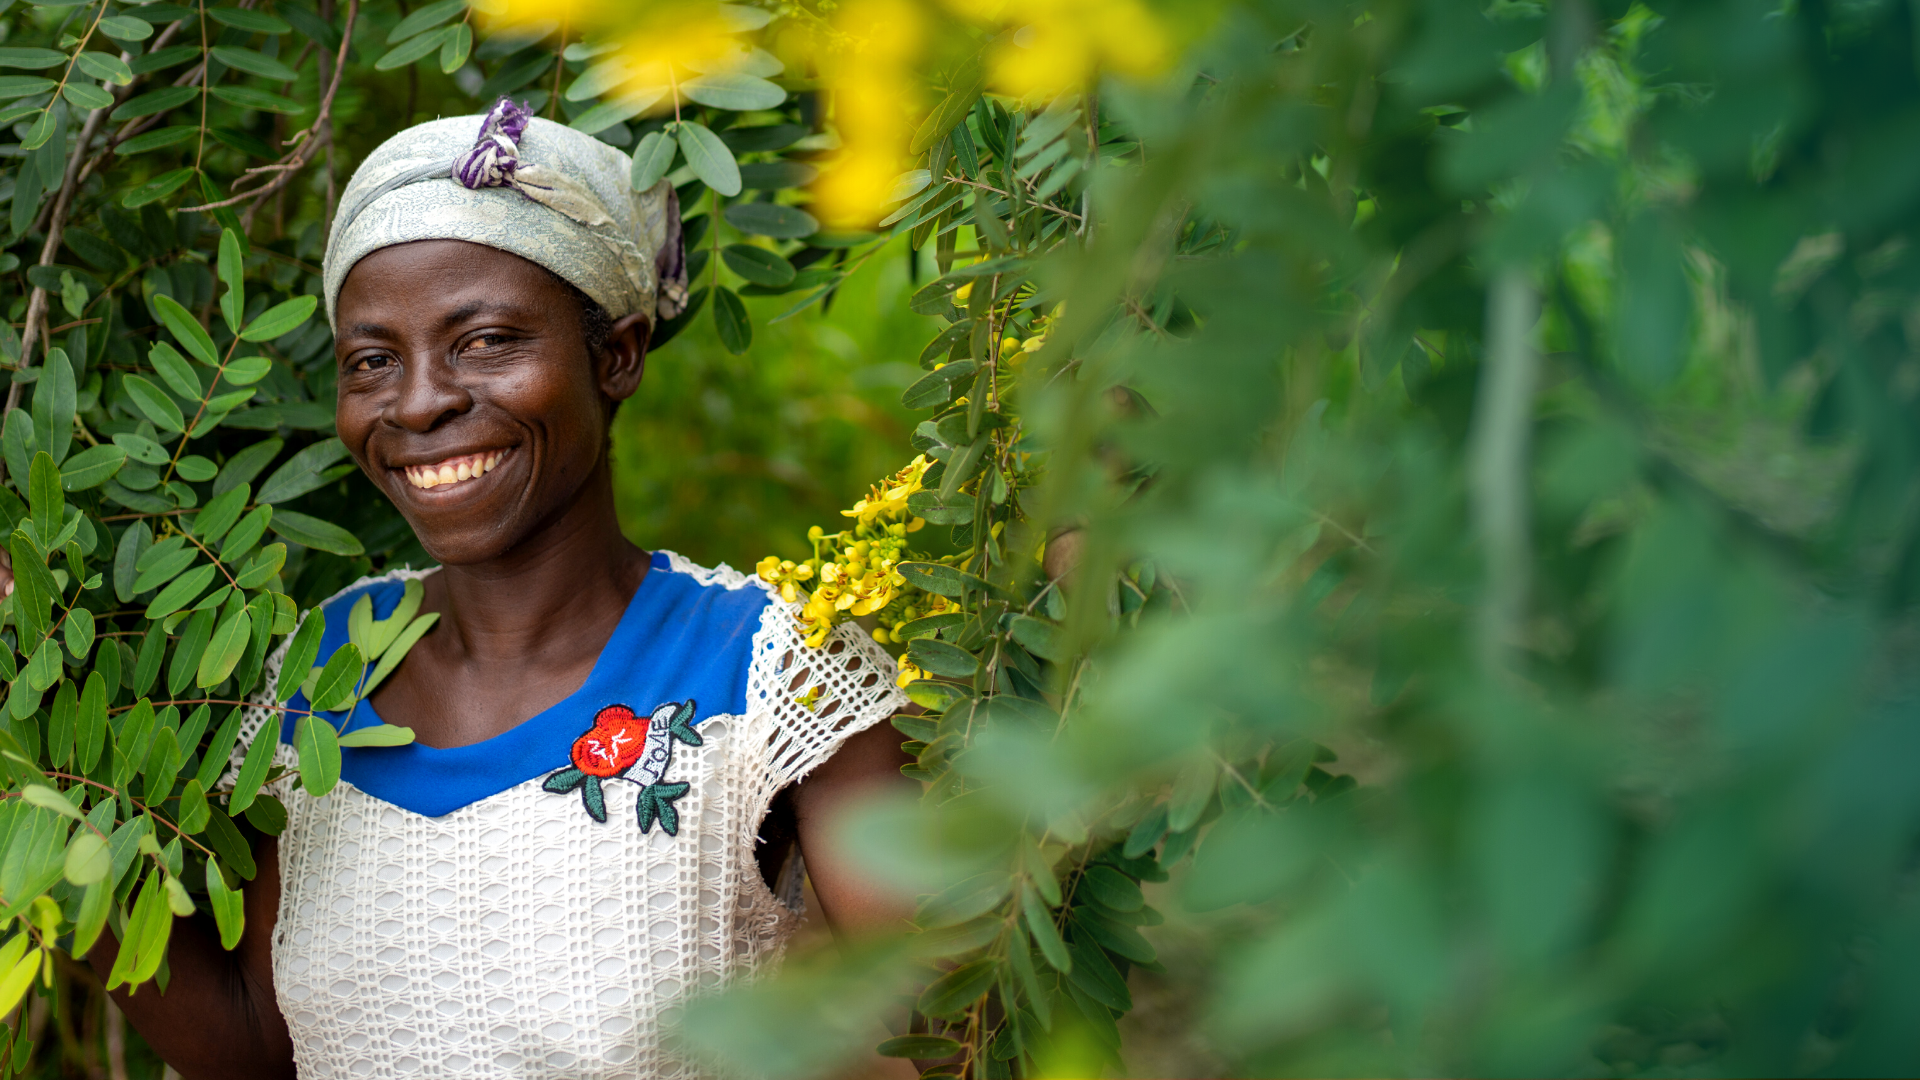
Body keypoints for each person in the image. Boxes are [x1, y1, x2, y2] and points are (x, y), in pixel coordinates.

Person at [50, 100, 919, 1078]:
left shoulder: (773, 673)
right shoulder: (318, 671)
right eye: (373, 361)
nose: (419, 401)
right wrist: (38, 782)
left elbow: (941, 1026)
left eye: (486, 340)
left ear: (616, 356)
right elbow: (259, 1051)